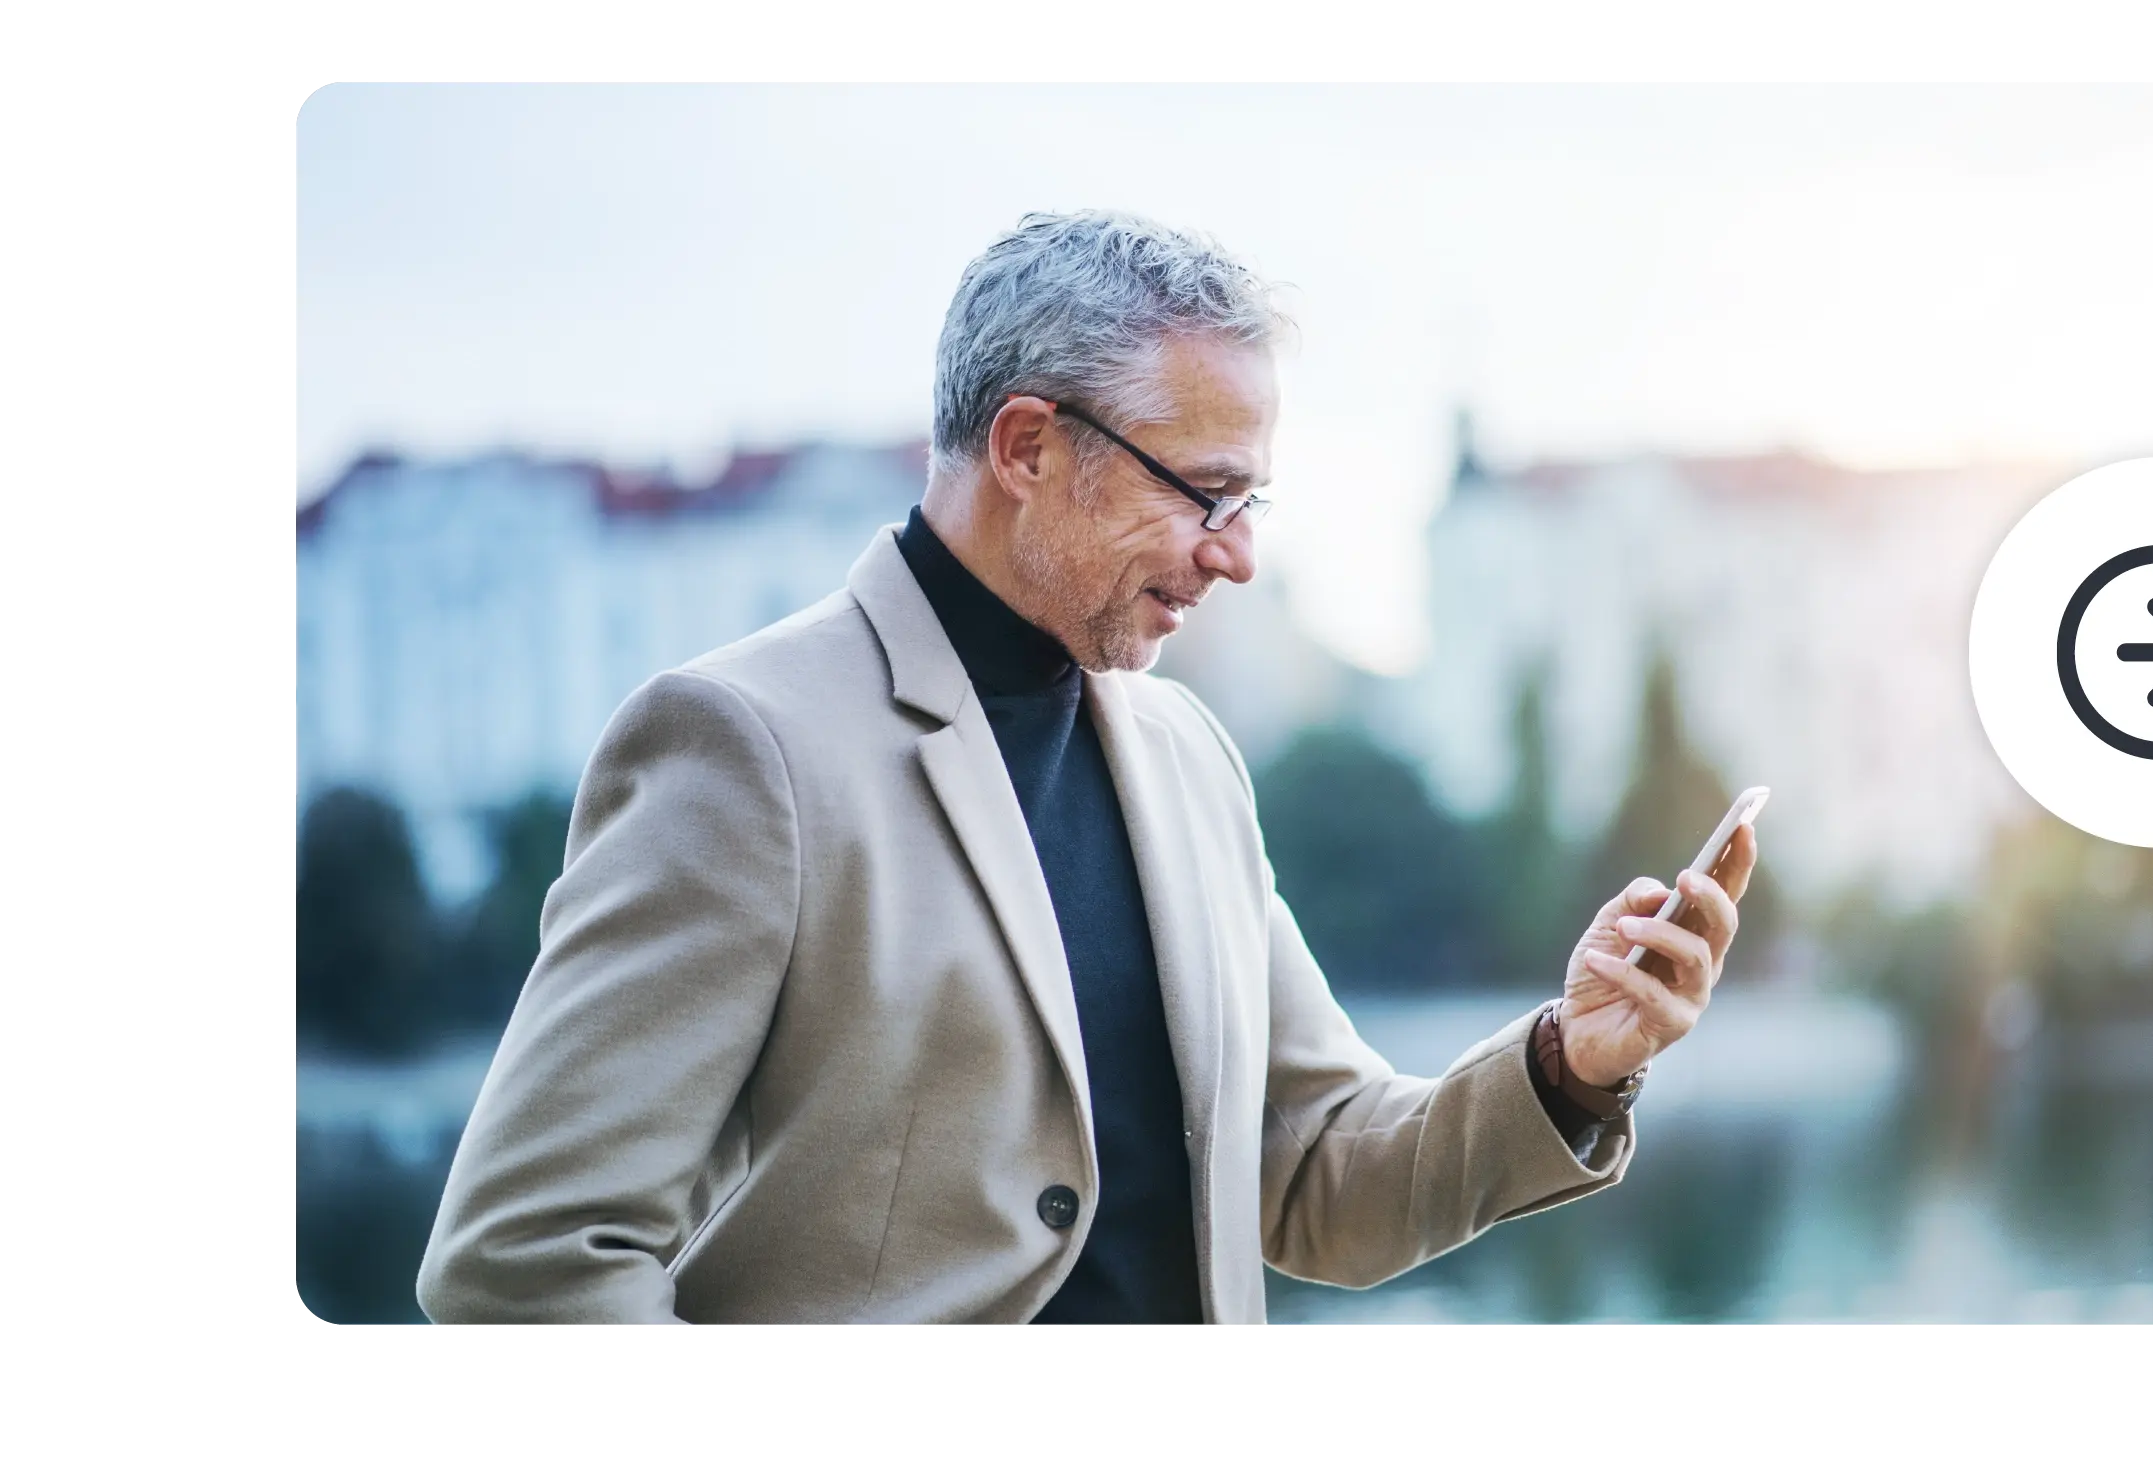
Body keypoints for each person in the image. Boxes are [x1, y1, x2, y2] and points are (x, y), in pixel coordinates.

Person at [416, 209, 1758, 1326]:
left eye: (1254, 506)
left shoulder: (1188, 755)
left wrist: (1571, 1066)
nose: (1235, 555)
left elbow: (1312, 1175)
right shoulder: (736, 745)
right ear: (1025, 448)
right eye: (1204, 493)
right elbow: (527, 1262)